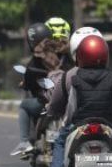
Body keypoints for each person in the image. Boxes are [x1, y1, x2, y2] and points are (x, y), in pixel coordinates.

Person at [40, 33, 112, 167]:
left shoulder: (74, 78)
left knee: (59, 142)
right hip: (106, 123)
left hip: (80, 123)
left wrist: (67, 123)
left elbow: (72, 105)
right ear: (105, 55)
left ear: (80, 56)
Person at [12, 18, 73, 156]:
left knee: (24, 106)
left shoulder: (39, 54)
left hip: (47, 100)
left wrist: (26, 83)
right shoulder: (70, 53)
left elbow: (29, 77)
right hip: (70, 100)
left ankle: (24, 142)